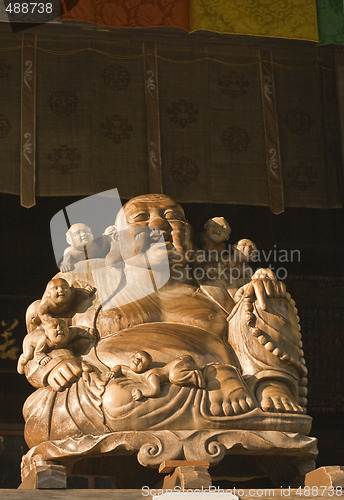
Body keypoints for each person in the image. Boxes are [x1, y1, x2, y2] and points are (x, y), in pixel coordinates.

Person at [20, 194, 307, 449]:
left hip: (216, 383)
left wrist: (258, 282)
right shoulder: (84, 279)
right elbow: (41, 323)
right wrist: (54, 361)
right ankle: (238, 412)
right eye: (141, 219)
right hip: (111, 389)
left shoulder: (218, 281)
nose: (159, 225)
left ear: (189, 235)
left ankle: (271, 385)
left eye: (172, 218)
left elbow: (254, 316)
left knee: (265, 291)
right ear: (116, 240)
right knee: (52, 410)